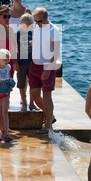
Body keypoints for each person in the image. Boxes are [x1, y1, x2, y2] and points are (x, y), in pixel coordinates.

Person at [29, 7, 61, 135]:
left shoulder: (54, 31)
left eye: (39, 21)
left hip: (47, 66)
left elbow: (57, 52)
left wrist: (48, 69)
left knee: (47, 96)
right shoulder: (37, 27)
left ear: (46, 18)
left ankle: (48, 126)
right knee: (35, 96)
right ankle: (50, 116)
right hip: (34, 65)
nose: (37, 23)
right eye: (35, 21)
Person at [16, 13, 38, 112]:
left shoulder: (32, 33)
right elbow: (15, 49)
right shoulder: (18, 34)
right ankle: (24, 103)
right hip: (21, 62)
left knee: (33, 84)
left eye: (29, 26)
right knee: (21, 83)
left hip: (31, 62)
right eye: (25, 25)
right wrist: (15, 62)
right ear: (21, 24)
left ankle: (32, 103)